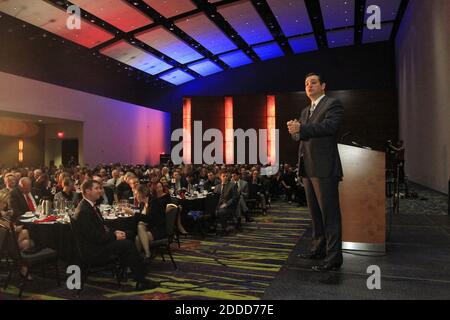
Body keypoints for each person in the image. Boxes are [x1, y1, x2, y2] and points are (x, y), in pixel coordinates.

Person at [287, 73, 344, 272]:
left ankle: (334, 257)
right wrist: (295, 131)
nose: (309, 86)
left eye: (313, 82)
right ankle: (318, 249)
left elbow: (329, 127)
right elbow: (301, 137)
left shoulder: (332, 104)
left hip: (324, 168)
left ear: (323, 86)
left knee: (330, 214)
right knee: (315, 215)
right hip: (307, 168)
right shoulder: (305, 110)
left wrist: (302, 128)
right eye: (306, 84)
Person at [72, 180, 157, 290]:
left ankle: (132, 269)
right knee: (128, 245)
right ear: (88, 191)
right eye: (97, 188)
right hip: (94, 250)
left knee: (129, 234)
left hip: (98, 243)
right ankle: (141, 279)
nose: (100, 191)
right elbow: (95, 237)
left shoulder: (90, 206)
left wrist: (115, 232)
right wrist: (114, 236)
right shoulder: (83, 211)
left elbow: (103, 226)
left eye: (100, 188)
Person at [128, 184, 167, 261]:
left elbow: (149, 219)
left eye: (136, 194)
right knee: (137, 236)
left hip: (159, 229)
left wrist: (133, 213)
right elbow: (144, 218)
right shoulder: (143, 203)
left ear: (141, 194)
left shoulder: (154, 202)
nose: (135, 196)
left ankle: (144, 256)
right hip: (150, 228)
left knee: (138, 235)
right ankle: (141, 258)